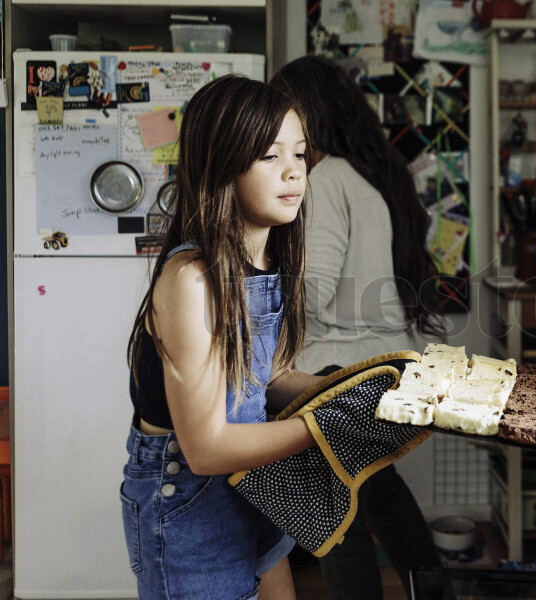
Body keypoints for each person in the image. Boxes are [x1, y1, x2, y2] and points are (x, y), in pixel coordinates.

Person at [121, 74, 323, 600]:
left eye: (300, 153)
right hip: (187, 498)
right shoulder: (192, 278)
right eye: (269, 155)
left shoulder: (269, 256)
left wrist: (365, 388)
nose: (293, 171)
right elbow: (207, 448)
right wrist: (329, 426)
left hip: (250, 479)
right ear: (221, 164)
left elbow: (266, 378)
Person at [270, 55, 445, 600]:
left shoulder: (327, 179)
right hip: (388, 368)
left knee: (337, 523)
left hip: (341, 371)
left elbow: (314, 292)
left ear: (309, 114)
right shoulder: (374, 173)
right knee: (380, 493)